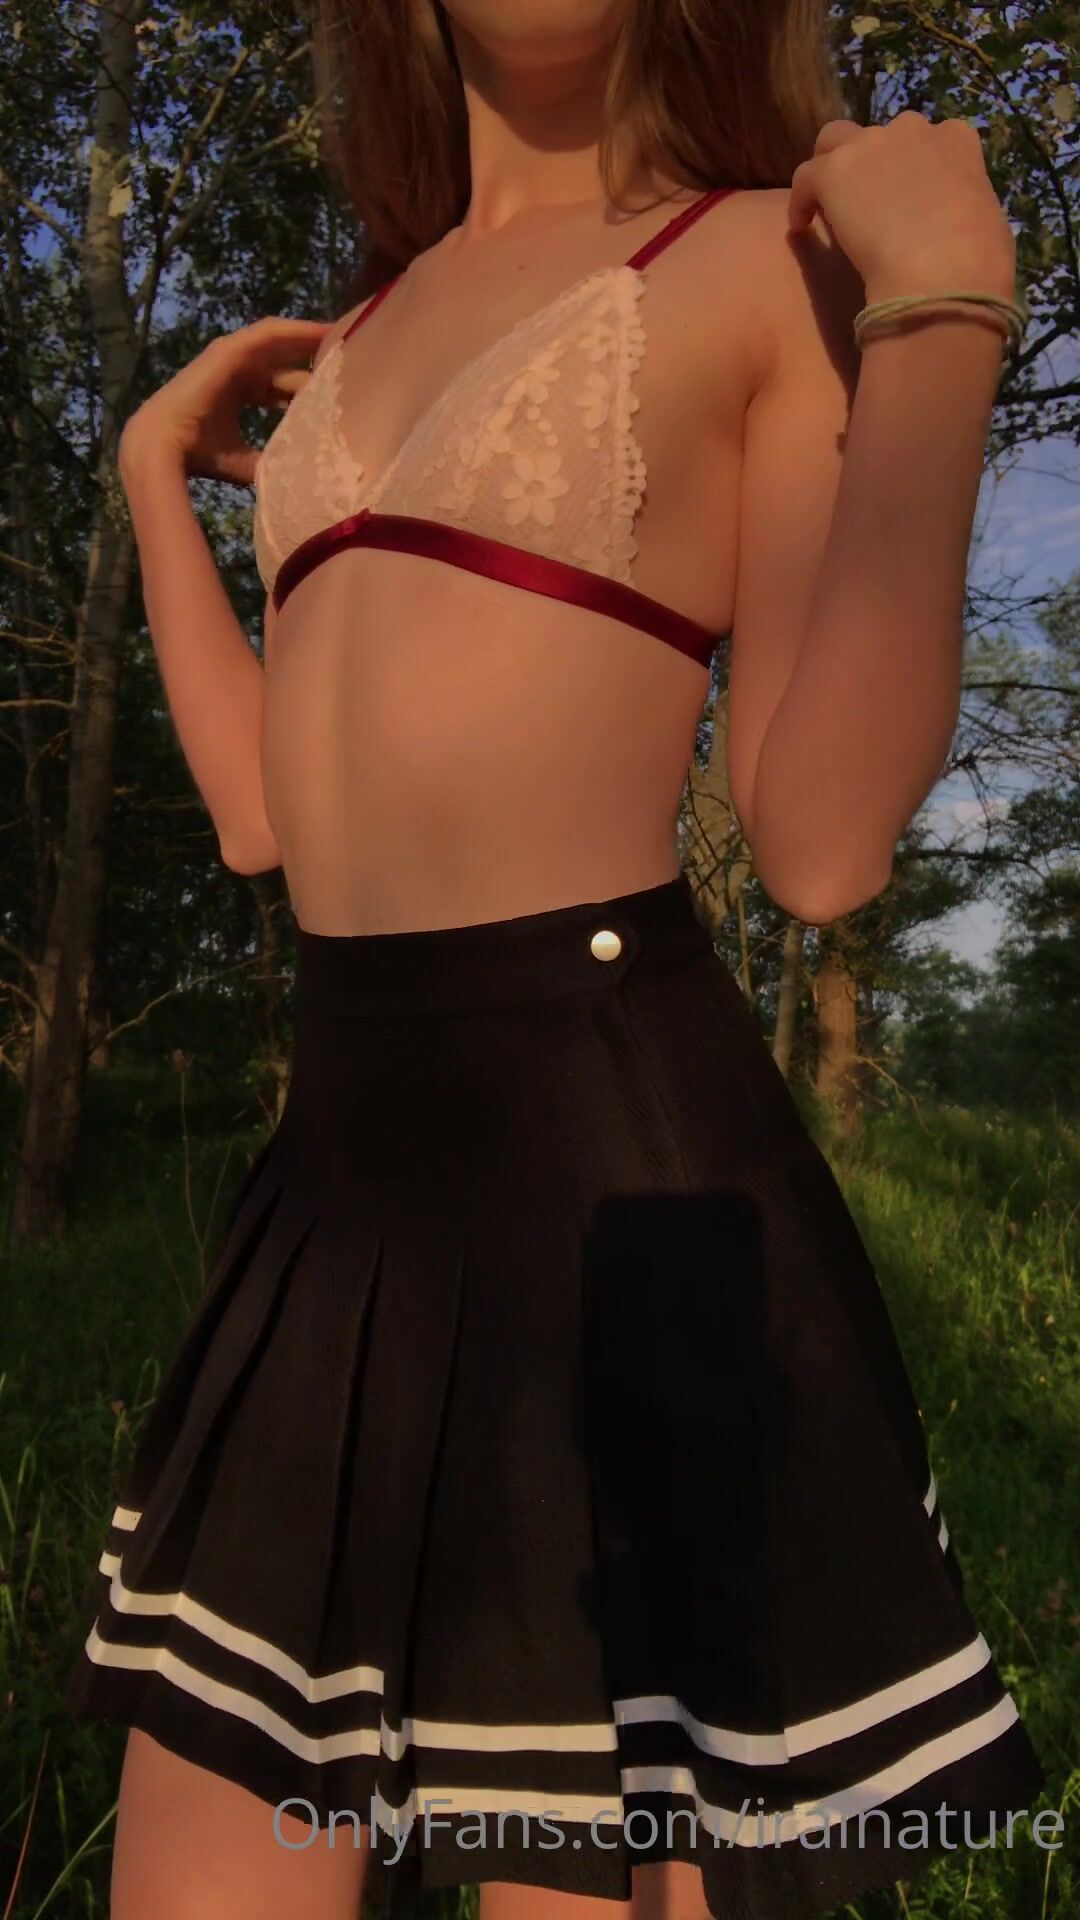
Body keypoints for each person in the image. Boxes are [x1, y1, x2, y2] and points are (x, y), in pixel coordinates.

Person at [69, 3, 1042, 1918]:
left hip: (619, 1194)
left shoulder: (758, 255)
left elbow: (821, 839)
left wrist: (942, 315)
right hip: (335, 1187)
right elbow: (266, 820)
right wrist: (153, 475)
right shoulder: (359, 327)